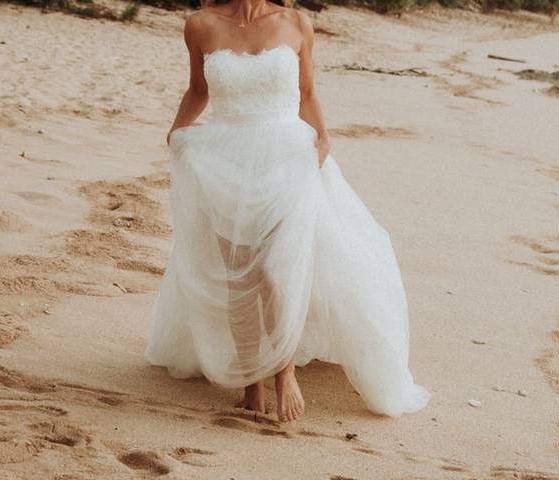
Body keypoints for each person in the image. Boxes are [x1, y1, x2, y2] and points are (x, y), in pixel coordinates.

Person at [145, 0, 431, 422]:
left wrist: (324, 138)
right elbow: (199, 90)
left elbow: (308, 93)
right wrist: (177, 132)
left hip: (285, 158)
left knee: (277, 275)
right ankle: (251, 383)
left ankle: (283, 372)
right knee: (238, 275)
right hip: (224, 161)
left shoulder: (297, 23)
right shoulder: (200, 25)